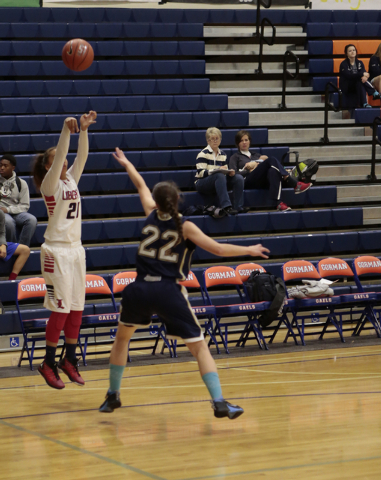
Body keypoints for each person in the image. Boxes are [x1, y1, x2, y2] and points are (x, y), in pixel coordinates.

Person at [99, 147, 270, 419]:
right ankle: (219, 402)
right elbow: (218, 250)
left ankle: (112, 395)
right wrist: (249, 249)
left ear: (156, 201)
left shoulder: (149, 213)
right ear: (178, 199)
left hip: (139, 288)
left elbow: (140, 184)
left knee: (121, 340)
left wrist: (128, 163)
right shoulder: (184, 225)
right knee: (199, 347)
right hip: (167, 290)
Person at [32, 111, 97, 390]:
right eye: (58, 158)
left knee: (76, 310)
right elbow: (62, 155)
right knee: (59, 310)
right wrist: (65, 130)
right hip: (55, 252)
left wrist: (82, 131)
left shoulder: (71, 179)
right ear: (48, 165)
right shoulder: (50, 184)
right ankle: (47, 362)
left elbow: (80, 158)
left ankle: (69, 360)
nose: (65, 159)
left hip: (75, 250)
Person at [229, 130, 312, 212]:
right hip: (247, 180)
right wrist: (248, 170)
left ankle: (278, 203)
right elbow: (233, 174)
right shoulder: (235, 157)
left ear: (249, 141)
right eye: (241, 140)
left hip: (261, 180)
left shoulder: (256, 155)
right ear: (238, 143)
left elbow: (266, 159)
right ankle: (292, 182)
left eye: (246, 140)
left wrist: (254, 163)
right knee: (272, 160)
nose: (244, 142)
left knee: (273, 171)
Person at [194, 127, 248, 218]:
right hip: (202, 183)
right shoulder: (202, 154)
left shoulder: (223, 154)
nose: (215, 141)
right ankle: (226, 206)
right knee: (219, 175)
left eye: (217, 138)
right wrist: (217, 170)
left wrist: (229, 172)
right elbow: (201, 173)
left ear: (220, 140)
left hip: (218, 181)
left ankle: (237, 207)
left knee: (238, 178)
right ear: (208, 140)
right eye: (212, 139)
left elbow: (223, 172)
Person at [0, 154, 37, 247]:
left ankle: (22, 248)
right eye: (0, 165)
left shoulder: (21, 183)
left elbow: (25, 206)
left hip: (16, 212)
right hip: (1, 212)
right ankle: (12, 249)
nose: (2, 168)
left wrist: (8, 210)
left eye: (5, 166)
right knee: (8, 223)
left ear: (13, 168)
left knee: (32, 220)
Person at [339, 44, 381, 109]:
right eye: (350, 51)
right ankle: (373, 92)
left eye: (354, 50)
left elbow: (364, 74)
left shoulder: (359, 62)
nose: (352, 52)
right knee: (360, 79)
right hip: (347, 86)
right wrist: (362, 75)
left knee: (361, 81)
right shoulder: (343, 64)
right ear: (346, 54)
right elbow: (349, 76)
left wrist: (364, 76)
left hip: (358, 84)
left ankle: (365, 103)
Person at [0, 209, 30, 280]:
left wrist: (3, 244)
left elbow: (1, 233)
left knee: (25, 250)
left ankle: (12, 279)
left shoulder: (0, 213)